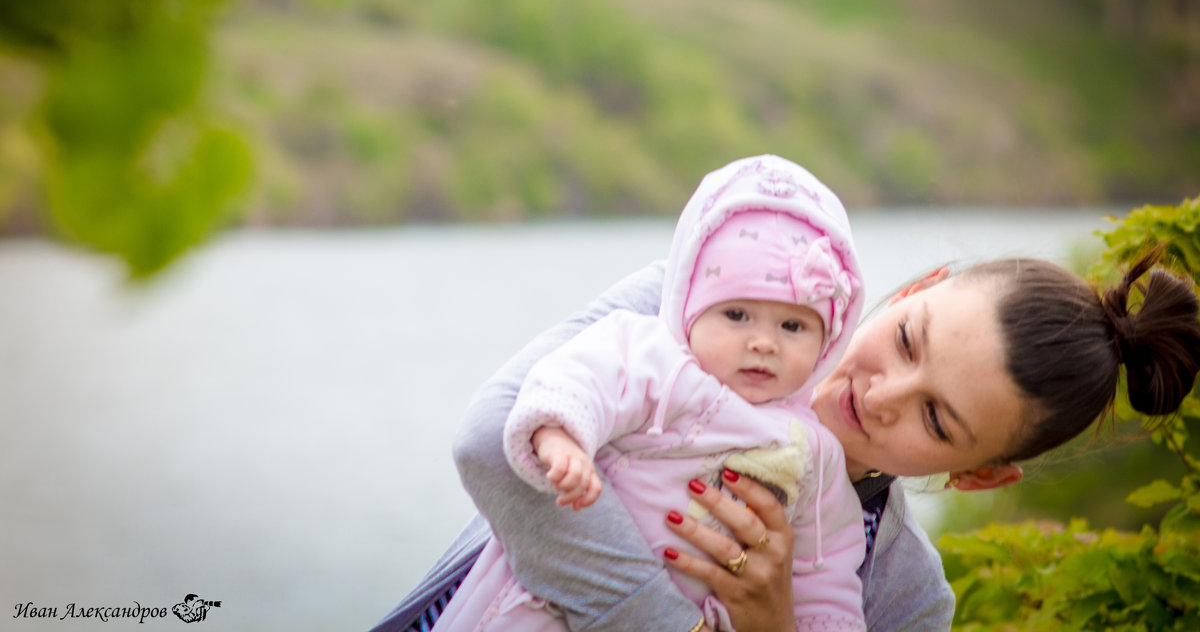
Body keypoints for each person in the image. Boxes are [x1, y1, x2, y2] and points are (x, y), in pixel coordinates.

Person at [370, 213, 1200, 632]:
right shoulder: (701, 307)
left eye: (937, 421)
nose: (882, 393)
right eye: (906, 340)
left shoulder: (903, 599)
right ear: (914, 289)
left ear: (981, 477)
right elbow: (493, 443)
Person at [431, 154, 868, 631]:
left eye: (792, 326)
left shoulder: (814, 452)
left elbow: (824, 573)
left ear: (828, 341)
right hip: (549, 603)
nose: (763, 342)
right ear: (690, 310)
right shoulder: (655, 358)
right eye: (736, 316)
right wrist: (561, 439)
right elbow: (578, 379)